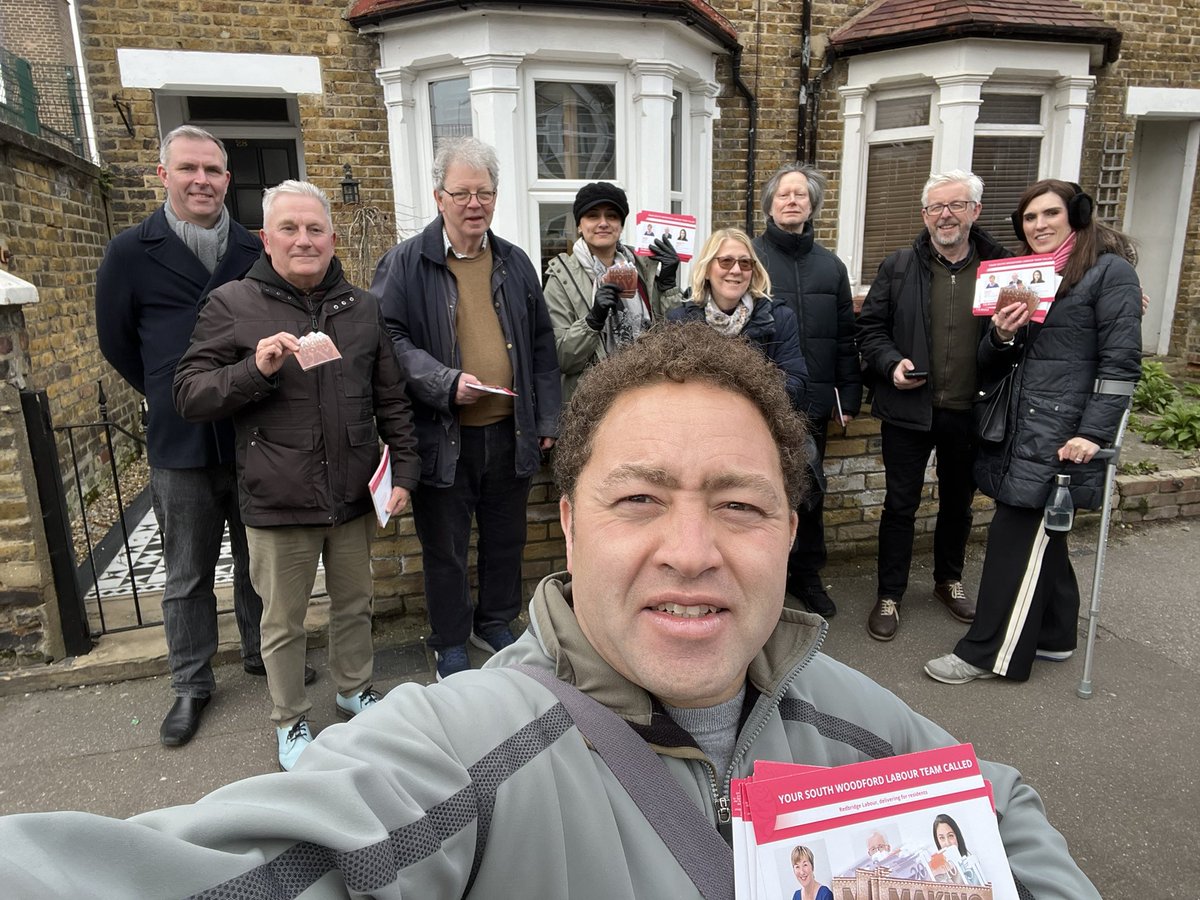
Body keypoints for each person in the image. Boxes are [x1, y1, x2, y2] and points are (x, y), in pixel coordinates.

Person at [0, 325, 1100, 900]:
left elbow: (998, 801)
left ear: (787, 533)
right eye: (639, 501)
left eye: (740, 504)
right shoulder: (461, 748)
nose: (692, 550)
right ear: (569, 526)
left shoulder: (841, 712)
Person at [173, 181, 420, 769]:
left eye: (315, 230)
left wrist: (404, 470)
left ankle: (352, 689)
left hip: (353, 492)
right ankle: (290, 721)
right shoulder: (233, 303)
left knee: (354, 603)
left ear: (333, 238)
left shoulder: (361, 307)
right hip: (278, 495)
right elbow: (188, 393)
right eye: (290, 229)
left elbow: (392, 399)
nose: (304, 240)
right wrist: (254, 369)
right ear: (266, 237)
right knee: (283, 622)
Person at [94, 125, 272, 748]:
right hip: (180, 441)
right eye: (189, 168)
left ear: (227, 178)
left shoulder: (255, 248)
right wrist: (167, 389)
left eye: (214, 170)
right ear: (162, 174)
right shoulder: (130, 252)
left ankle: (260, 654)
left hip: (252, 430)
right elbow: (117, 344)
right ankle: (191, 683)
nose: (202, 180)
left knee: (259, 561)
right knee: (187, 572)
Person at [925, 180, 1141, 685]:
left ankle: (986, 653)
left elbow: (1121, 363)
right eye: (1029, 218)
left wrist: (1094, 433)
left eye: (1050, 214)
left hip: (1063, 435)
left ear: (1077, 216)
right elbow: (992, 364)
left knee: (1015, 537)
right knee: (1046, 535)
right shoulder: (1025, 274)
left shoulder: (1109, 273)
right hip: (1020, 428)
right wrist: (1001, 333)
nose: (1038, 225)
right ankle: (1056, 633)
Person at [371, 136, 561, 681]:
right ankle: (450, 639)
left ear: (496, 198)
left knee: (507, 540)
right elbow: (387, 339)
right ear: (438, 196)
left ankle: (494, 621)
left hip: (509, 433)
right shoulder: (406, 263)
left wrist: (546, 419)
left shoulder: (515, 262)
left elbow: (543, 346)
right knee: (447, 550)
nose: (473, 203)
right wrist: (442, 382)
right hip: (442, 436)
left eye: (484, 192)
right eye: (462, 193)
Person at [856, 170, 1012, 642]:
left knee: (958, 504)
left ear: (975, 212)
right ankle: (889, 593)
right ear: (924, 215)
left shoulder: (1000, 268)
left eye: (956, 205)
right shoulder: (899, 266)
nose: (946, 215)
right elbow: (871, 330)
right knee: (900, 505)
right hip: (909, 409)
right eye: (936, 207)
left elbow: (1028, 327)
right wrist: (890, 364)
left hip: (970, 409)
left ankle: (949, 580)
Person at [754, 163, 861, 617]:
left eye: (801, 195)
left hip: (812, 401)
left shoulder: (831, 266)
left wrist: (849, 394)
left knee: (810, 490)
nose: (792, 201)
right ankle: (763, 579)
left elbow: (845, 334)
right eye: (784, 195)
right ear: (770, 204)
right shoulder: (752, 257)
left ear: (812, 205)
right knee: (759, 492)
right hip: (760, 403)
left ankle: (807, 575)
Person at [544, 181, 682, 401]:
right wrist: (592, 321)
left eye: (612, 216)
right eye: (592, 216)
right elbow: (561, 358)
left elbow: (674, 336)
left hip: (646, 393)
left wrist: (667, 286)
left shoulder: (643, 268)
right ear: (579, 225)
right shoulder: (561, 279)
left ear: (621, 224)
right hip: (593, 404)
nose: (603, 223)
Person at [667, 227, 808, 411]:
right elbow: (670, 382)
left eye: (745, 263)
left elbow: (796, 383)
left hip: (759, 423)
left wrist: (743, 401)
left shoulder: (779, 318)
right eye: (726, 261)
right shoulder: (679, 321)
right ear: (707, 270)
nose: (736, 270)